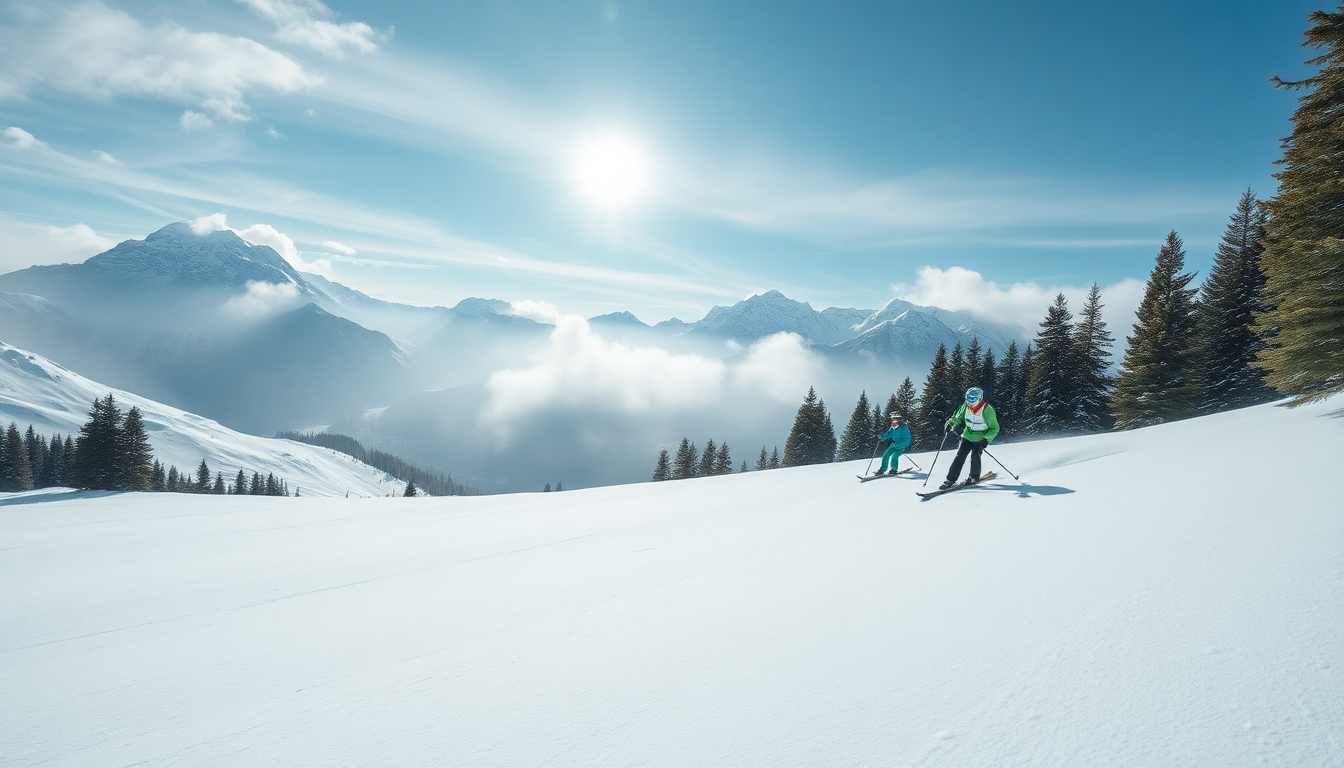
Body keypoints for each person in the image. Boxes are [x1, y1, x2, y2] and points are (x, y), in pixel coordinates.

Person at [940, 386, 999, 490]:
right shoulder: (965, 406)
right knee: (960, 456)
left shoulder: (987, 410)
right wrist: (951, 425)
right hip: (967, 436)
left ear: (980, 399)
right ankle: (950, 480)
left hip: (981, 438)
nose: (970, 402)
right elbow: (958, 418)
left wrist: (986, 439)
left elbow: (994, 428)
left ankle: (974, 477)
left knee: (976, 456)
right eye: (968, 399)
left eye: (973, 399)